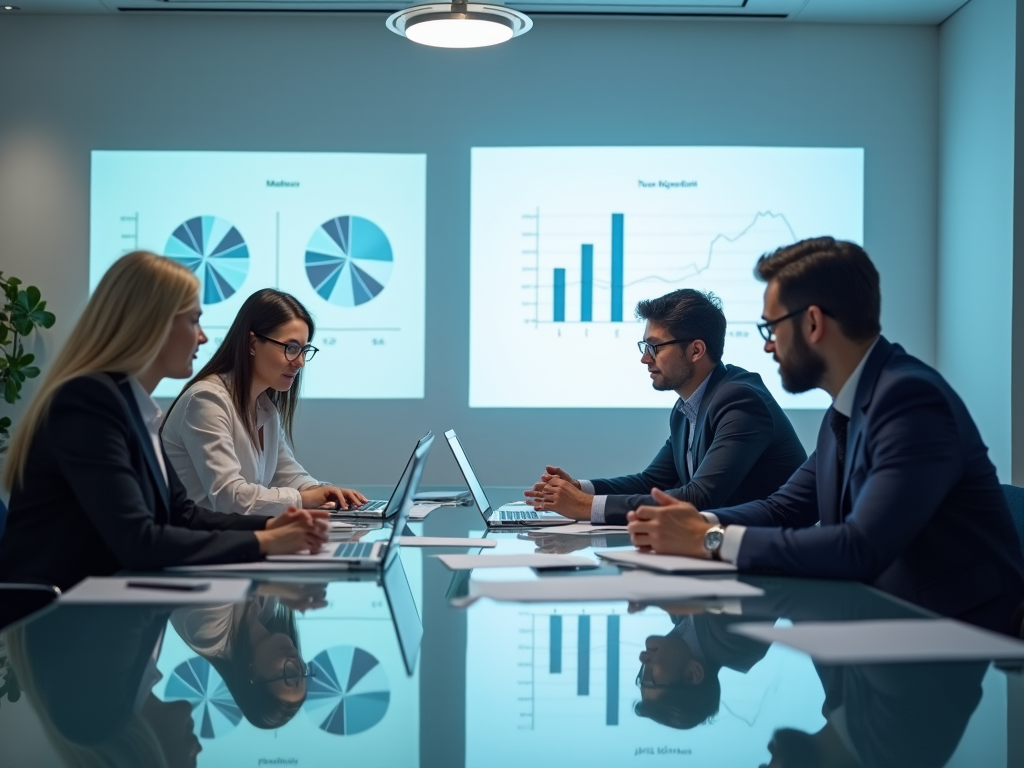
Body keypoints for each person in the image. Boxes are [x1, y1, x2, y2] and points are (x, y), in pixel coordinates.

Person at [626, 237, 1024, 634]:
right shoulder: (846, 407)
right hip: (882, 633)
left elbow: (859, 548)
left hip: (960, 645)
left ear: (813, 323)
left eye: (772, 327)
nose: (767, 345)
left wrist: (710, 539)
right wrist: (691, 522)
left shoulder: (911, 400)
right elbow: (783, 509)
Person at [0, 251, 328, 591]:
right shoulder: (88, 402)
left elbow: (183, 515)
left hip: (104, 604)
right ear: (150, 323)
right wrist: (264, 543)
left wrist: (270, 527)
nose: (202, 337)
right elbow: (139, 541)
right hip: (55, 619)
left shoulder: (130, 403)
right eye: (193, 321)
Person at [525, 289, 807, 524]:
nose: (645, 360)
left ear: (696, 350)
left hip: (771, 557)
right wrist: (581, 489)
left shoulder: (741, 401)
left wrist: (586, 506)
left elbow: (699, 498)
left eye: (655, 347)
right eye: (644, 347)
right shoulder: (687, 407)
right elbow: (653, 481)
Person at [161, 289, 366, 516]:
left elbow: (286, 473)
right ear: (252, 343)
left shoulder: (264, 406)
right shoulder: (206, 400)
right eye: (291, 348)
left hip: (233, 539)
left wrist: (323, 492)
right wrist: (303, 499)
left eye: (304, 350)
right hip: (200, 545)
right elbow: (229, 498)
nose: (300, 362)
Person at [170, 594, 311, 729]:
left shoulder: (208, 633)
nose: (296, 663)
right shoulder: (266, 610)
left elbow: (220, 571)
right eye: (302, 672)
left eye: (290, 675)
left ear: (253, 674)